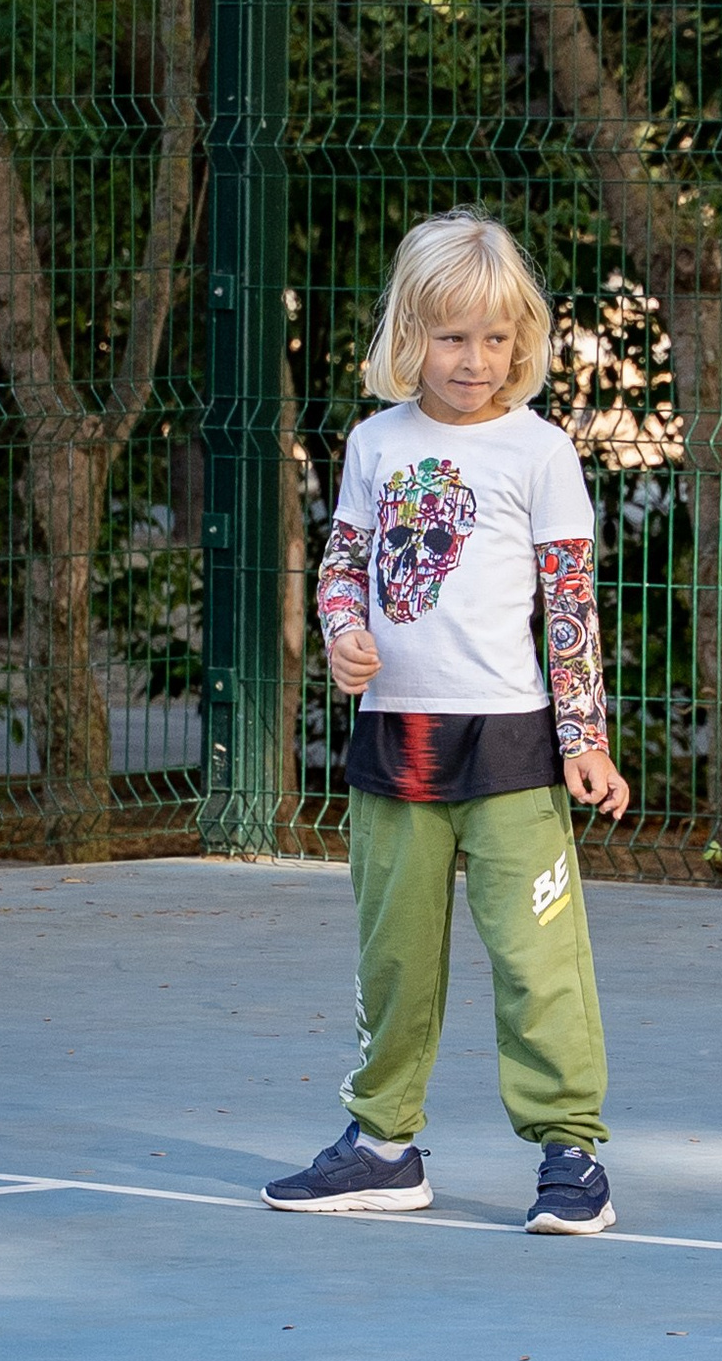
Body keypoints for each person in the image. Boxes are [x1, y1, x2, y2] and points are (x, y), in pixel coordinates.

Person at [263, 212, 630, 1236]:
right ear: (406, 337)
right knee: (394, 958)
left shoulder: (541, 450)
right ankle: (383, 1145)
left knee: (535, 960)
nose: (474, 360)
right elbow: (342, 565)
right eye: (450, 336)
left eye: (496, 338)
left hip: (513, 747)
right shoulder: (374, 443)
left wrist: (584, 737)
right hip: (398, 742)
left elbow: (567, 603)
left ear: (523, 342)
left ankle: (570, 1155)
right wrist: (341, 632)